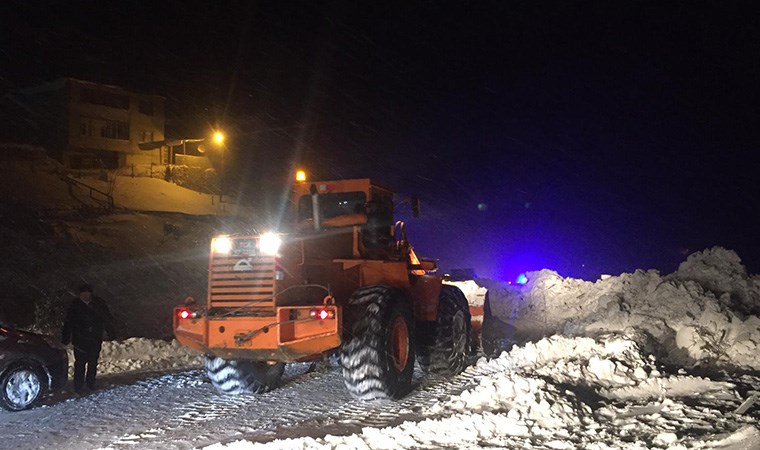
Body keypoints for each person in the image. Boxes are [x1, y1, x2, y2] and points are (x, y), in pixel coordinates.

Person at [61, 283, 116, 393]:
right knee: (80, 363)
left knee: (92, 362)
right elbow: (68, 323)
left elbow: (107, 319)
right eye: (83, 293)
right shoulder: (75, 306)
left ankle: (90, 383)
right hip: (80, 339)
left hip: (94, 338)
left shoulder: (98, 304)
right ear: (80, 295)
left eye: (87, 293)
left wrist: (111, 333)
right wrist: (66, 338)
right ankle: (78, 386)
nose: (86, 296)